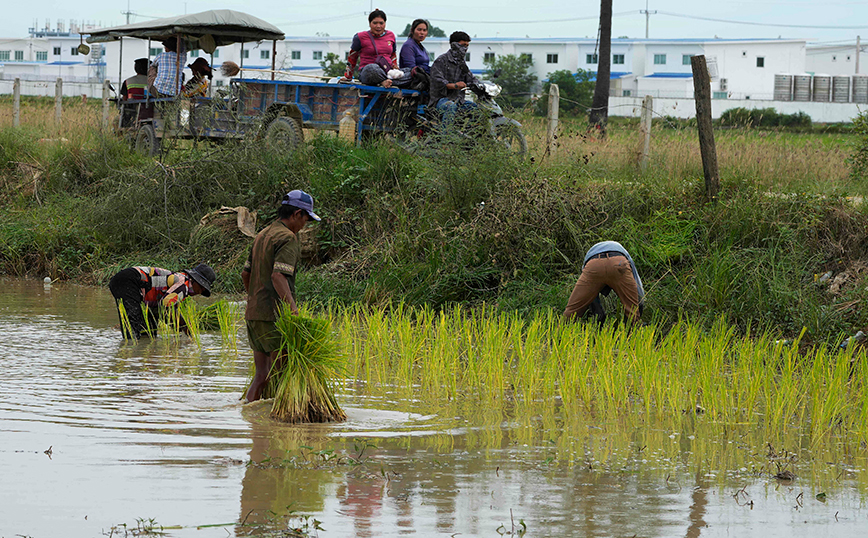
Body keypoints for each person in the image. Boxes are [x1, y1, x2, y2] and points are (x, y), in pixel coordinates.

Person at [242, 190, 321, 402]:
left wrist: (253, 300)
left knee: (261, 375)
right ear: (297, 214)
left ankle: (251, 419)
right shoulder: (288, 237)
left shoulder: (262, 234)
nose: (305, 225)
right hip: (273, 316)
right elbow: (278, 276)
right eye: (306, 219)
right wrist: (293, 313)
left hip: (254, 314)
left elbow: (245, 274)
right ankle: (279, 424)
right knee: (282, 375)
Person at [109, 263, 216, 339]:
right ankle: (129, 362)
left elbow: (161, 310)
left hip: (129, 283)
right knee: (132, 329)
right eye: (202, 287)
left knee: (148, 333)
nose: (201, 291)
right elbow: (166, 305)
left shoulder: (182, 283)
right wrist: (185, 327)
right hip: (128, 280)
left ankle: (139, 360)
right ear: (195, 280)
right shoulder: (183, 284)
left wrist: (181, 327)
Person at [563, 241, 645, 324]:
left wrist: (599, 315)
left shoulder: (588, 256)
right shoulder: (625, 254)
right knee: (632, 312)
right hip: (618, 262)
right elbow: (637, 284)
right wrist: (638, 306)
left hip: (594, 265)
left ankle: (562, 330)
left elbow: (589, 296)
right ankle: (633, 330)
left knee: (572, 311)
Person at [342, 9, 411, 88]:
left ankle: (387, 82)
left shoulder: (391, 35)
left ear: (385, 23)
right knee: (371, 68)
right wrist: (348, 77)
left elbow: (392, 54)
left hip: (388, 72)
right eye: (375, 23)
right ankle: (386, 82)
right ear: (370, 23)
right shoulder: (360, 37)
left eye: (381, 23)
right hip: (369, 73)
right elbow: (352, 57)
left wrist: (394, 65)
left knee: (412, 72)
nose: (378, 26)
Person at [428, 31, 479, 124]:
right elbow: (437, 81)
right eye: (463, 45)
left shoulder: (462, 63)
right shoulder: (441, 60)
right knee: (450, 106)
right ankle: (447, 137)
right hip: (441, 100)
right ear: (454, 45)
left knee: (475, 108)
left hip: (459, 100)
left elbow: (471, 78)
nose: (465, 48)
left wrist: (482, 86)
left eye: (467, 45)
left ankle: (469, 136)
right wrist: (455, 85)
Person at [119, 58, 151, 127]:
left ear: (135, 68)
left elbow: (125, 98)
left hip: (133, 111)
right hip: (150, 110)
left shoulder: (128, 81)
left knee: (117, 120)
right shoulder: (154, 81)